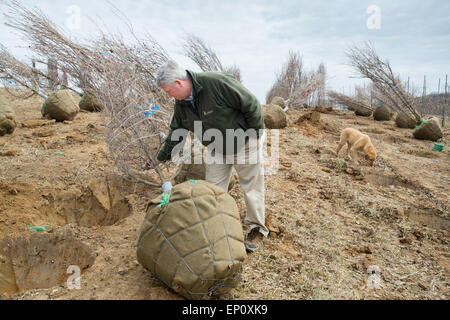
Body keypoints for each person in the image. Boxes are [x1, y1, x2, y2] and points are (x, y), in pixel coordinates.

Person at [155, 60, 268, 252]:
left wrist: (254, 135)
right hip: (217, 148)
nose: (168, 95)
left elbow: (251, 104)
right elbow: (177, 131)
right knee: (213, 190)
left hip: (245, 142)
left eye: (168, 91)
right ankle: (216, 226)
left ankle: (257, 229)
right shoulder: (181, 103)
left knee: (251, 187)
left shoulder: (216, 83)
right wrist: (162, 156)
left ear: (179, 83)